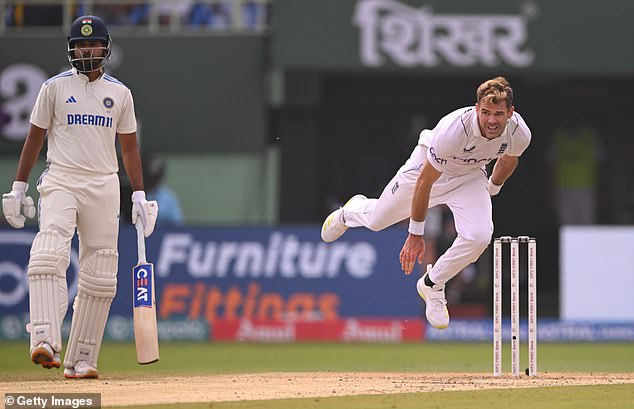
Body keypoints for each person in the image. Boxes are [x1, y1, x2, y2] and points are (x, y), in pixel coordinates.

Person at [1, 15, 158, 379]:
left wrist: (138, 194)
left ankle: (81, 358)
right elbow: (34, 139)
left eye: (93, 44)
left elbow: (130, 148)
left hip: (103, 184)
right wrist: (19, 186)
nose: (87, 49)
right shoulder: (53, 88)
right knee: (49, 251)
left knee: (102, 272)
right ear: (72, 48)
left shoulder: (120, 93)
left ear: (106, 48)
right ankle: (43, 338)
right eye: (80, 44)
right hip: (62, 178)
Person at [321, 77, 531, 329]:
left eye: (498, 114)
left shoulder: (519, 132)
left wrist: (492, 188)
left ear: (511, 113)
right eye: (486, 113)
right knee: (377, 221)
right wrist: (415, 235)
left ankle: (432, 284)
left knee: (479, 236)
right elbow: (425, 182)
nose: (492, 120)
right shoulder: (454, 130)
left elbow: (509, 158)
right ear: (477, 109)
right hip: (425, 171)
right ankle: (349, 213)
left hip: (469, 177)